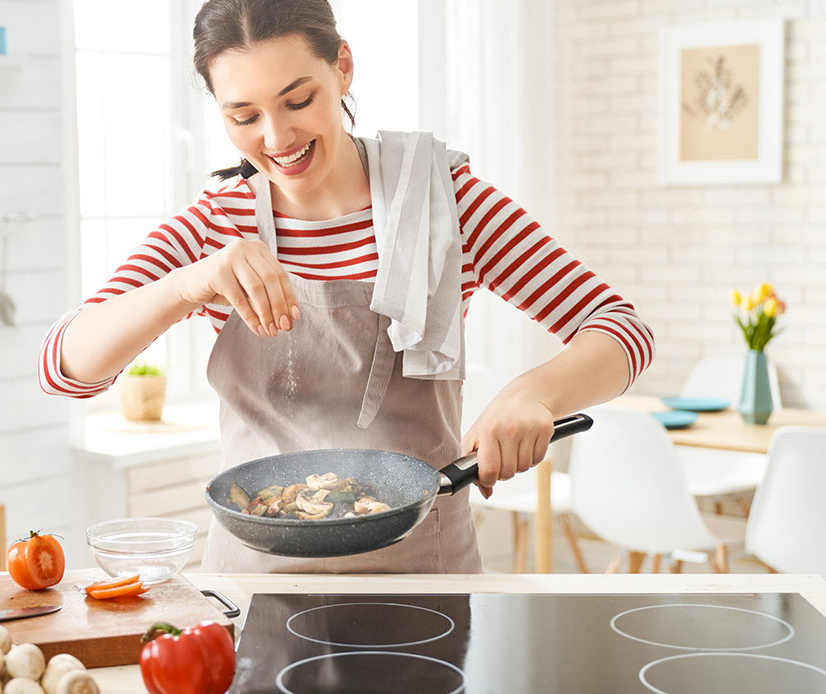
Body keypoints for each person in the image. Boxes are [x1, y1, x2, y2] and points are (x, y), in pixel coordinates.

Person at [40, 0, 653, 573]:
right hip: (259, 580)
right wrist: (187, 284)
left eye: (297, 99)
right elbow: (65, 367)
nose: (276, 140)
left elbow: (624, 329)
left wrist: (536, 393)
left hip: (422, 572)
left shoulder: (445, 204)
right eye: (244, 116)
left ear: (343, 67)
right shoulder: (214, 225)